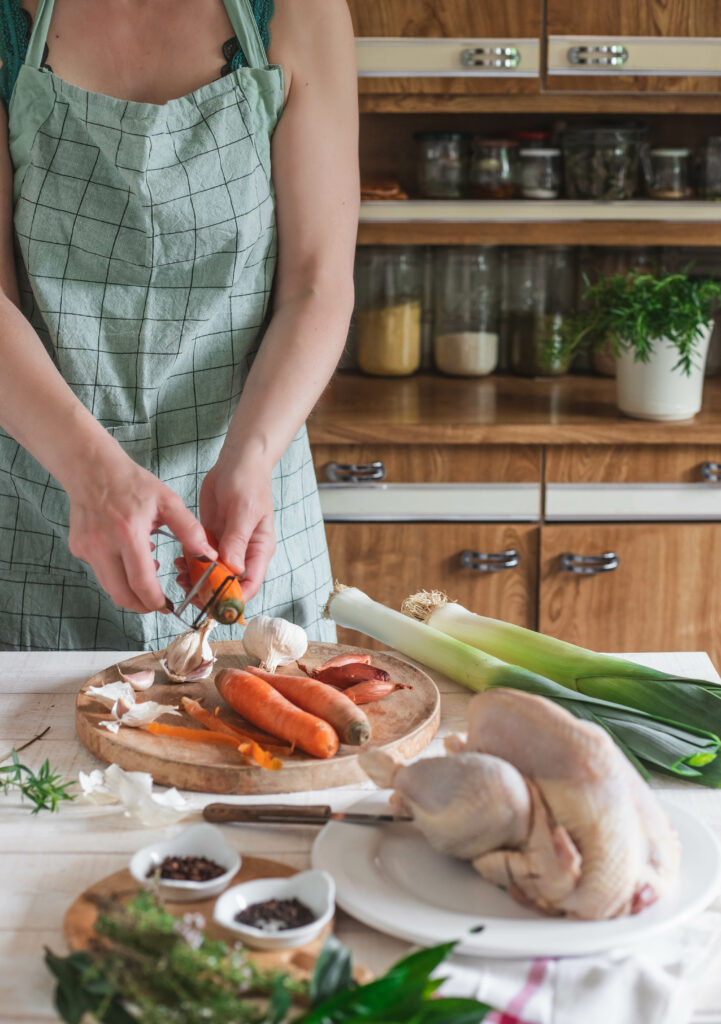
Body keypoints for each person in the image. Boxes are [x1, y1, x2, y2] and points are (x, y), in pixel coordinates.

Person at [0, 0, 359, 650]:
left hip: (246, 515)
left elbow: (316, 283)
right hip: (35, 510)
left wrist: (250, 459)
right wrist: (92, 474)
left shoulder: (299, 12)